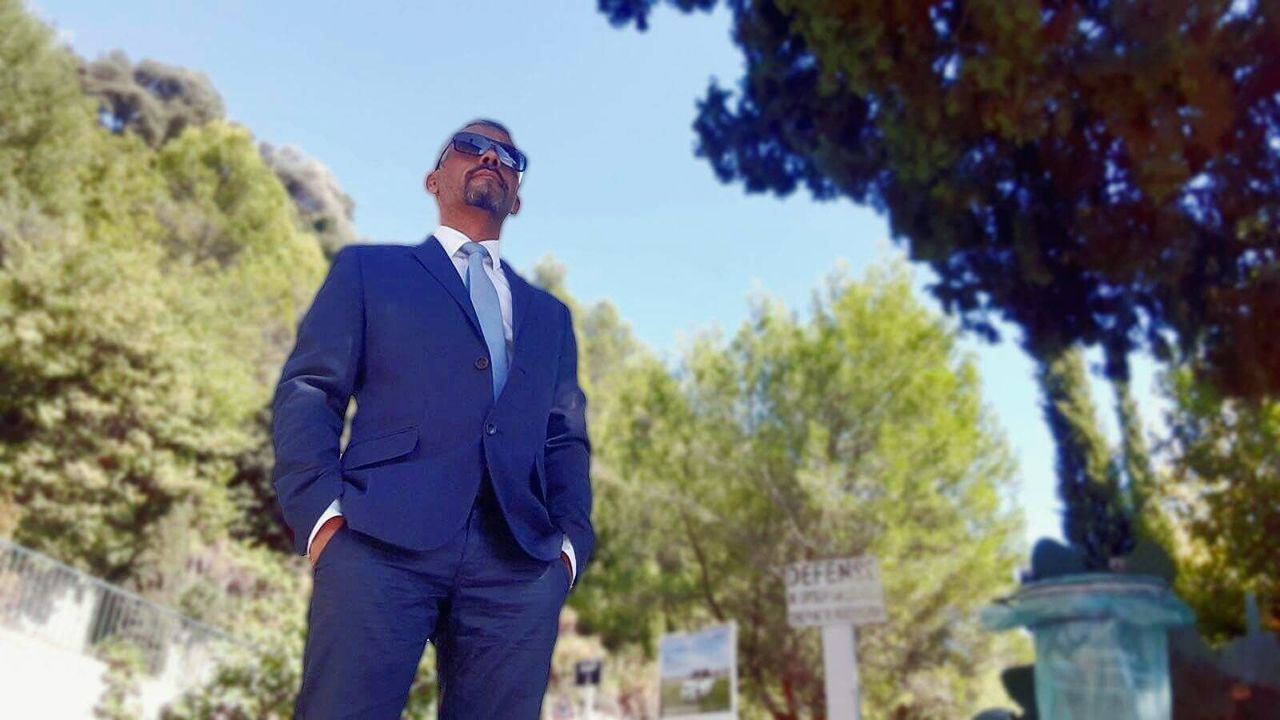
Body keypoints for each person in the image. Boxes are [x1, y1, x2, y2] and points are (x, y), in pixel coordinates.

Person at [271, 119, 593, 719]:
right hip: (376, 536)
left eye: (508, 156)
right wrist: (320, 516)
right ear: (434, 179)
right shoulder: (369, 272)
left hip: (519, 563)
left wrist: (569, 548)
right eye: (471, 146)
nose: (490, 158)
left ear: (517, 197)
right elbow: (311, 390)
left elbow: (564, 439)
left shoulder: (551, 318)